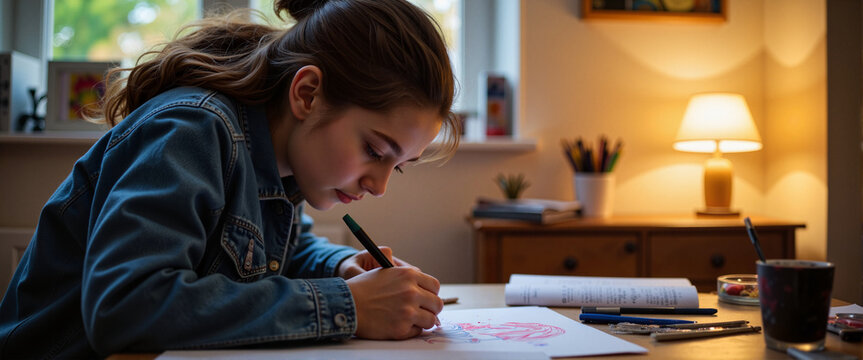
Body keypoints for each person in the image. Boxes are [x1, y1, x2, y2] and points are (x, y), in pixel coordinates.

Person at [0, 0, 459, 357]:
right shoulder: (191, 131)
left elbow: (284, 249)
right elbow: (127, 306)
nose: (379, 186)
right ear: (307, 94)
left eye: (397, 165)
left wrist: (341, 268)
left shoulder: (281, 163)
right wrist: (347, 305)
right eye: (374, 151)